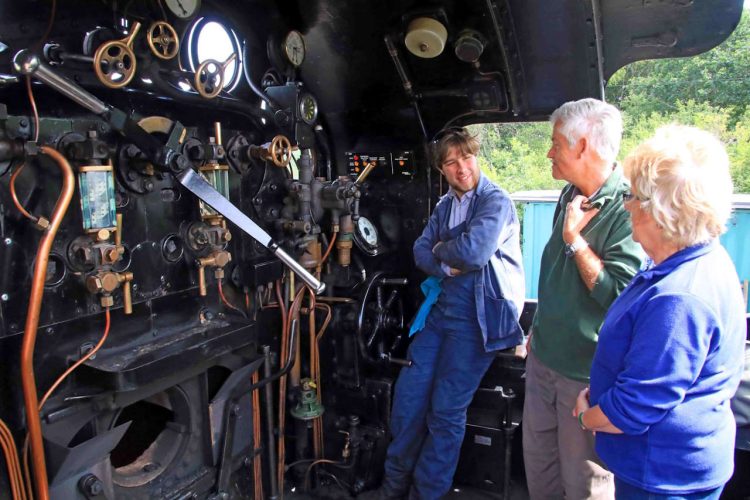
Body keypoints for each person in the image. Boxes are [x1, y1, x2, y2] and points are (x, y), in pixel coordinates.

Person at [573, 124, 746, 499]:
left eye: (633, 196)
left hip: (662, 476)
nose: (626, 204)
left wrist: (587, 417)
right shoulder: (693, 260)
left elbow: (633, 411)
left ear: (660, 212)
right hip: (666, 465)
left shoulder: (680, 297)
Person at [361, 127, 525, 499]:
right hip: (441, 315)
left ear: (476, 156)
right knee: (408, 401)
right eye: (451, 162)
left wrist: (442, 250)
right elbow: (421, 253)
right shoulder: (444, 206)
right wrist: (445, 262)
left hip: (478, 320)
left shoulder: (495, 202)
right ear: (442, 169)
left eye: (466, 157)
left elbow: (475, 253)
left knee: (445, 413)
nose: (461, 167)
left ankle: (426, 494)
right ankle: (392, 487)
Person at [523, 98, 645, 499]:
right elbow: (555, 281)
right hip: (542, 360)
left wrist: (575, 241)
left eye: (556, 143)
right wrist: (535, 332)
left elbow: (619, 298)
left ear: (582, 146)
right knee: (540, 473)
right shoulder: (568, 194)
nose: (549, 152)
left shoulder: (627, 209)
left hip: (584, 375)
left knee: (584, 485)